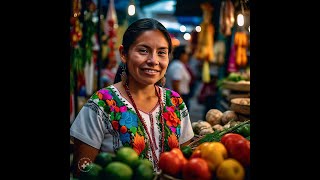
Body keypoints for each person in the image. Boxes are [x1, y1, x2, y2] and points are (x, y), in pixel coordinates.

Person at [70, 18, 194, 177]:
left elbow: (186, 163)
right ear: (123, 54)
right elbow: (83, 170)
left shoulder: (175, 103)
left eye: (161, 52)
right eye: (143, 50)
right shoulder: (101, 104)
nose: (153, 61)